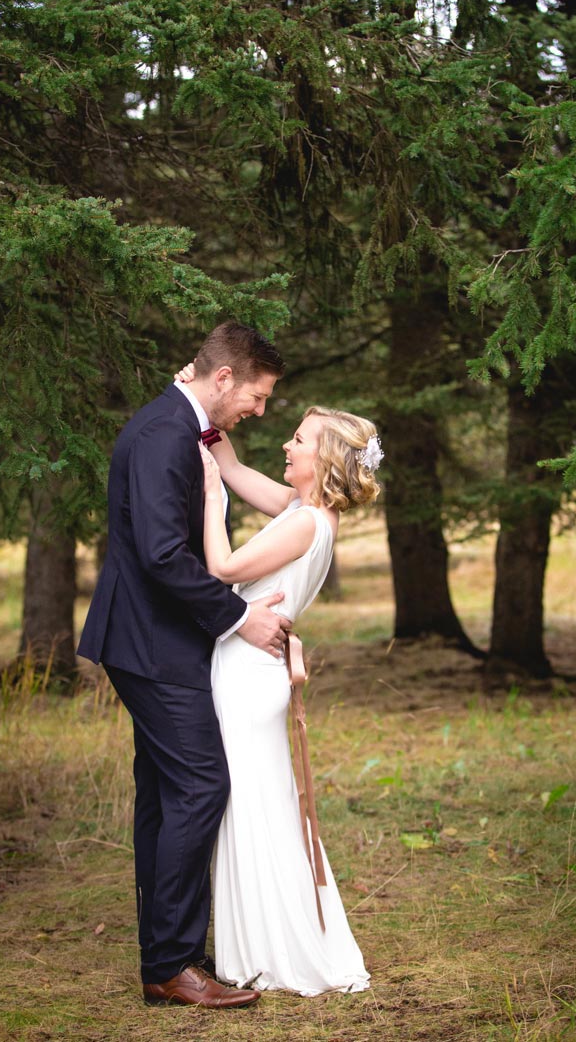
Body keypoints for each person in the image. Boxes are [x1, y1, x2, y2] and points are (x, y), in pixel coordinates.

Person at [77, 322, 291, 1009]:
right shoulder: (165, 433)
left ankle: (165, 957)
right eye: (256, 395)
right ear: (224, 378)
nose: (259, 411)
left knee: (167, 796)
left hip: (158, 638)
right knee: (201, 786)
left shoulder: (180, 425)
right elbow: (162, 556)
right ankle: (172, 963)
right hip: (150, 641)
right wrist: (239, 618)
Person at [191, 378, 382, 994]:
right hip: (252, 671)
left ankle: (274, 951)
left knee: (254, 813)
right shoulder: (303, 513)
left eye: (298, 439)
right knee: (261, 810)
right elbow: (237, 465)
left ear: (323, 460)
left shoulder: (304, 525)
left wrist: (210, 496)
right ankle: (264, 942)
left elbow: (221, 569)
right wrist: (204, 420)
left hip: (248, 676)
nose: (287, 444)